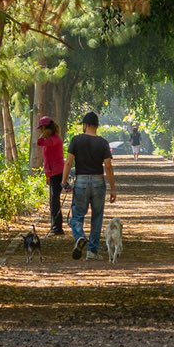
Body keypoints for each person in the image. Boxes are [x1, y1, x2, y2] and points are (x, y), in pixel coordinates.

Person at [65, 110, 117, 258]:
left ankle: (80, 236)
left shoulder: (76, 140)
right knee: (97, 216)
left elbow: (68, 162)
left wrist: (64, 181)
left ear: (85, 125)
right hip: (98, 182)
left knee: (77, 215)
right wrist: (113, 188)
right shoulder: (103, 143)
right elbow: (108, 166)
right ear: (96, 126)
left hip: (81, 181)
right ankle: (92, 251)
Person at [35, 116, 66, 236]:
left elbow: (39, 142)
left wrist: (44, 135)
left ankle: (57, 228)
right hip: (52, 173)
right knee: (53, 200)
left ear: (45, 128)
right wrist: (47, 175)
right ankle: (55, 226)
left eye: (42, 129)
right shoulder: (51, 139)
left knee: (55, 201)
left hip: (57, 173)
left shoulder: (54, 139)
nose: (41, 132)